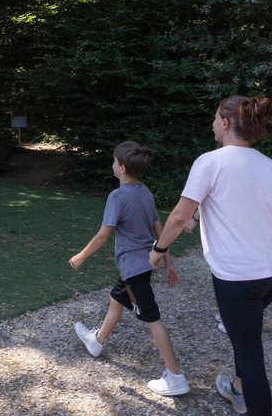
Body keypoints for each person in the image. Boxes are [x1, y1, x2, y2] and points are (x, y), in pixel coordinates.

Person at [150, 96, 272, 416]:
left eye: (215, 117)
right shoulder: (271, 167)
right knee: (243, 332)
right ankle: (237, 388)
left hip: (238, 279)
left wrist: (159, 249)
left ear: (228, 122)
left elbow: (180, 214)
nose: (212, 123)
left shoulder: (209, 162)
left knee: (250, 349)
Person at [69, 141, 189, 397]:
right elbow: (161, 231)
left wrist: (81, 255)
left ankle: (175, 376)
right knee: (116, 298)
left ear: (122, 168)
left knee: (152, 319)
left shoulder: (117, 197)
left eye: (113, 161)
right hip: (141, 266)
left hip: (134, 269)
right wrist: (168, 263)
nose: (112, 164)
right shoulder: (145, 192)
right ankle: (97, 341)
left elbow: (103, 235)